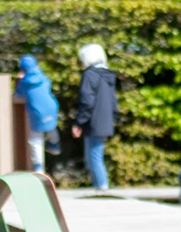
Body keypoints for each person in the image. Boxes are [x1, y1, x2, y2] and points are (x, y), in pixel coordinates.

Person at [71, 42, 117, 190]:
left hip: (93, 122)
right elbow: (113, 103)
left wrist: (79, 122)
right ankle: (101, 187)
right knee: (96, 156)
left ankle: (102, 188)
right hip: (105, 122)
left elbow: (87, 101)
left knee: (93, 158)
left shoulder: (90, 75)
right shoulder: (108, 75)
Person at [15, 54, 61, 172]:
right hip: (51, 107)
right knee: (51, 127)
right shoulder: (42, 77)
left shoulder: (24, 83)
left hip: (37, 111)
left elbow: (19, 94)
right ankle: (54, 144)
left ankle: (38, 166)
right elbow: (48, 85)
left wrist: (20, 79)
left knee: (36, 139)